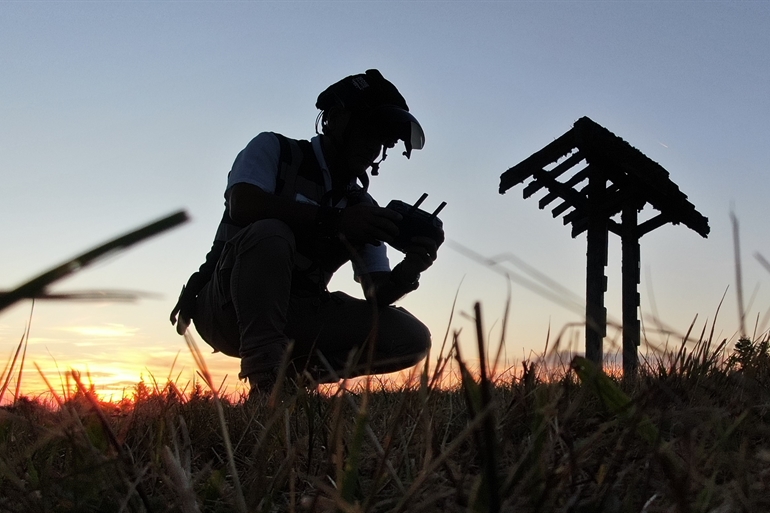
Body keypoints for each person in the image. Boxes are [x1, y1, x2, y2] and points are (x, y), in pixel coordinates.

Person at [170, 69, 442, 394]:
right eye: (369, 132)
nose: (373, 148)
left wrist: (409, 270)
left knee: (410, 338)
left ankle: (292, 384)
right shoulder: (274, 149)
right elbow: (243, 204)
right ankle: (267, 383)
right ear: (336, 119)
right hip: (228, 307)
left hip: (299, 313)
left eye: (384, 141)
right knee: (270, 233)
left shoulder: (362, 205)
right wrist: (336, 221)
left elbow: (377, 293)